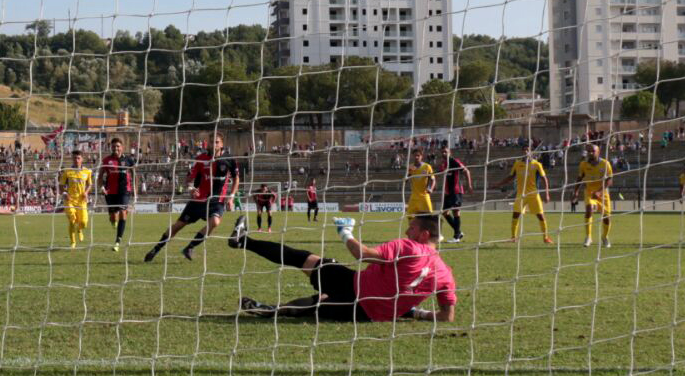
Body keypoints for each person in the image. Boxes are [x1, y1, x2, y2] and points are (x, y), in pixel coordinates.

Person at [228, 213, 457, 322]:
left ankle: (243, 241)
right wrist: (416, 312)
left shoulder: (410, 247)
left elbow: (362, 254)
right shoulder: (446, 275)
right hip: (368, 315)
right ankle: (270, 309)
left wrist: (344, 232)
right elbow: (447, 316)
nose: (408, 232)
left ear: (424, 234)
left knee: (306, 260)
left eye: (413, 229)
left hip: (354, 286)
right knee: (319, 304)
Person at [144, 134, 239, 262]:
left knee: (215, 223)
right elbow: (189, 179)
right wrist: (190, 188)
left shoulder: (230, 160)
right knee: (178, 226)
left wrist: (231, 196)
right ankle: (155, 249)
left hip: (217, 200)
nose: (214, 144)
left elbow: (236, 178)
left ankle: (189, 247)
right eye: (211, 142)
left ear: (222, 144)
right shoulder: (200, 159)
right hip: (198, 200)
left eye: (217, 142)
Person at [502, 148, 553, 244]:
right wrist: (499, 184)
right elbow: (511, 177)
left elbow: (544, 179)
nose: (525, 152)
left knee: (541, 216)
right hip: (521, 195)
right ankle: (513, 238)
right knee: (515, 215)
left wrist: (547, 193)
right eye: (524, 150)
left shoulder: (536, 164)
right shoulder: (517, 164)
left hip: (533, 194)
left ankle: (545, 238)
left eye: (527, 150)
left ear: (531, 152)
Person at [99, 136, 135, 252]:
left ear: (122, 148)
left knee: (123, 213)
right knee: (113, 216)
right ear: (111, 147)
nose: (115, 148)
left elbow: (135, 174)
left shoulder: (129, 160)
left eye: (118, 146)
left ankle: (117, 241)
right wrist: (102, 187)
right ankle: (113, 221)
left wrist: (136, 189)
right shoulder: (106, 160)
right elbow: (100, 176)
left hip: (125, 191)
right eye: (113, 146)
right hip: (110, 192)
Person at [577, 143, 614, 248]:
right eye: (589, 151)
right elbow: (579, 178)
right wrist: (575, 192)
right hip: (589, 192)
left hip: (603, 193)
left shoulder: (605, 164)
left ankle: (605, 237)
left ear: (598, 152)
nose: (591, 153)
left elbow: (609, 181)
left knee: (606, 217)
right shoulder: (583, 164)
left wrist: (599, 192)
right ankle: (588, 237)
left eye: (593, 151)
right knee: (589, 209)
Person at [58, 149, 94, 249]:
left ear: (82, 159)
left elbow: (90, 184)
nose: (76, 160)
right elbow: (61, 185)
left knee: (84, 223)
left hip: (81, 201)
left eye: (78, 158)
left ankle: (79, 229)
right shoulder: (67, 171)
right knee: (72, 220)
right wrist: (65, 193)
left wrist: (86, 193)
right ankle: (73, 242)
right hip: (69, 200)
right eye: (74, 158)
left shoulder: (87, 171)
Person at [437, 145, 471, 242]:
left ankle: (456, 237)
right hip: (448, 192)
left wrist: (469, 185)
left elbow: (466, 171)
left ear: (450, 152)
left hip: (456, 190)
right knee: (445, 212)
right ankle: (458, 232)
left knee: (456, 211)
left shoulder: (454, 161)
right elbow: (440, 173)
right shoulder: (444, 164)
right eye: (442, 152)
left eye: (445, 152)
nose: (444, 154)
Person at [405, 150, 435, 228]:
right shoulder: (411, 167)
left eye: (418, 155)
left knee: (430, 215)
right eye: (415, 155)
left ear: (422, 156)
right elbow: (406, 179)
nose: (416, 157)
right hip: (414, 196)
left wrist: (431, 188)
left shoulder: (427, 166)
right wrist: (406, 177)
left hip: (424, 195)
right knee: (410, 216)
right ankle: (413, 231)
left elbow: (433, 179)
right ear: (412, 156)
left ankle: (434, 233)